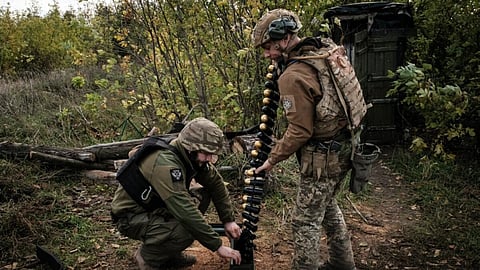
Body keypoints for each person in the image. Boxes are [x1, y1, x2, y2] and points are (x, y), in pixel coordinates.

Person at [252, 9, 361, 270]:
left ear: (284, 37)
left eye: (268, 46)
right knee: (328, 208)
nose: (267, 54)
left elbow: (300, 130)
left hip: (323, 157)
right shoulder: (321, 50)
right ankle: (342, 264)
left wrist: (272, 159)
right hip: (347, 145)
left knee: (304, 222)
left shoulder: (292, 76)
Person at [111, 117, 242, 269]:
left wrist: (228, 220)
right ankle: (148, 258)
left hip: (153, 207)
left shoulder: (190, 157)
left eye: (212, 154)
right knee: (186, 230)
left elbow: (216, 184)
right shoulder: (165, 163)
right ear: (190, 147)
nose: (209, 159)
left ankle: (169, 253)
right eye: (206, 153)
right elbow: (184, 211)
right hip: (130, 216)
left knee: (201, 195)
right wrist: (217, 245)